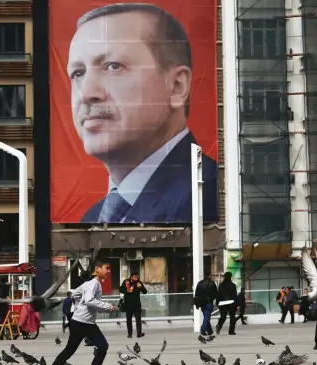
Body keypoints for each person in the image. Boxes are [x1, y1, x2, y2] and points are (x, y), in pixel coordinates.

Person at [67, 3, 218, 223]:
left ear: (177, 86)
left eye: (113, 66)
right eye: (78, 73)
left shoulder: (207, 194)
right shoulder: (92, 217)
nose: (87, 93)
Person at [43, 255, 118, 365]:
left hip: (86, 322)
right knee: (70, 351)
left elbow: (75, 295)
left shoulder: (89, 284)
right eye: (106, 268)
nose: (108, 271)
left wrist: (79, 305)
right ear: (97, 269)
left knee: (102, 346)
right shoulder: (94, 283)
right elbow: (89, 300)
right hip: (81, 323)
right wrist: (108, 306)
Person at [119, 272, 147, 338]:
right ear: (131, 277)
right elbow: (120, 290)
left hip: (137, 304)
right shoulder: (126, 282)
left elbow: (145, 292)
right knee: (128, 320)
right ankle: (129, 334)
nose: (136, 279)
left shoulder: (139, 283)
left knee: (138, 319)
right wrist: (127, 289)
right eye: (135, 277)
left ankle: (139, 333)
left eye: (137, 277)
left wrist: (141, 287)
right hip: (128, 304)